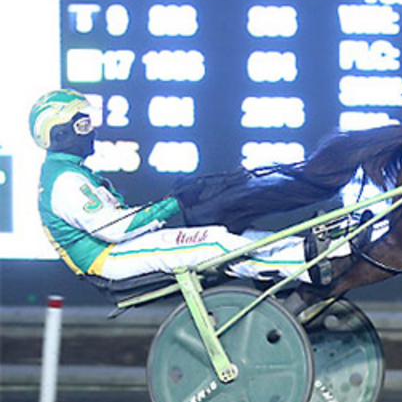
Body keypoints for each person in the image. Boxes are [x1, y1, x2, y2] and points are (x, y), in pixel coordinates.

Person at [30, 89, 332, 285]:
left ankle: (299, 251)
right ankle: (305, 266)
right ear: (59, 135)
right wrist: (174, 203)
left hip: (116, 250)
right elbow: (114, 229)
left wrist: (175, 200)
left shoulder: (69, 173)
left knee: (225, 236)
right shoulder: (66, 182)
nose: (92, 132)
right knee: (211, 243)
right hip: (109, 258)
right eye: (83, 126)